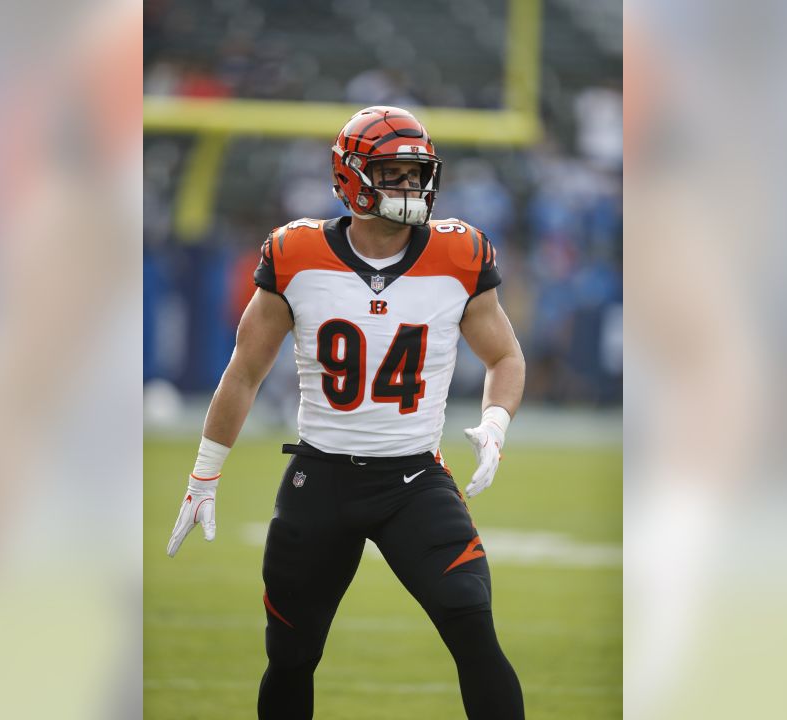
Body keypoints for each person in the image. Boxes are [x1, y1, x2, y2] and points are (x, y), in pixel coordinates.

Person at [166, 106, 527, 719]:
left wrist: (496, 422)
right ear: (352, 179)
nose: (411, 189)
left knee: (471, 621)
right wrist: (205, 472)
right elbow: (245, 372)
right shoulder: (296, 252)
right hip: (321, 478)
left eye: (418, 175)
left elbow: (505, 358)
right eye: (394, 174)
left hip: (414, 480)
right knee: (292, 654)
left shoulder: (459, 253)